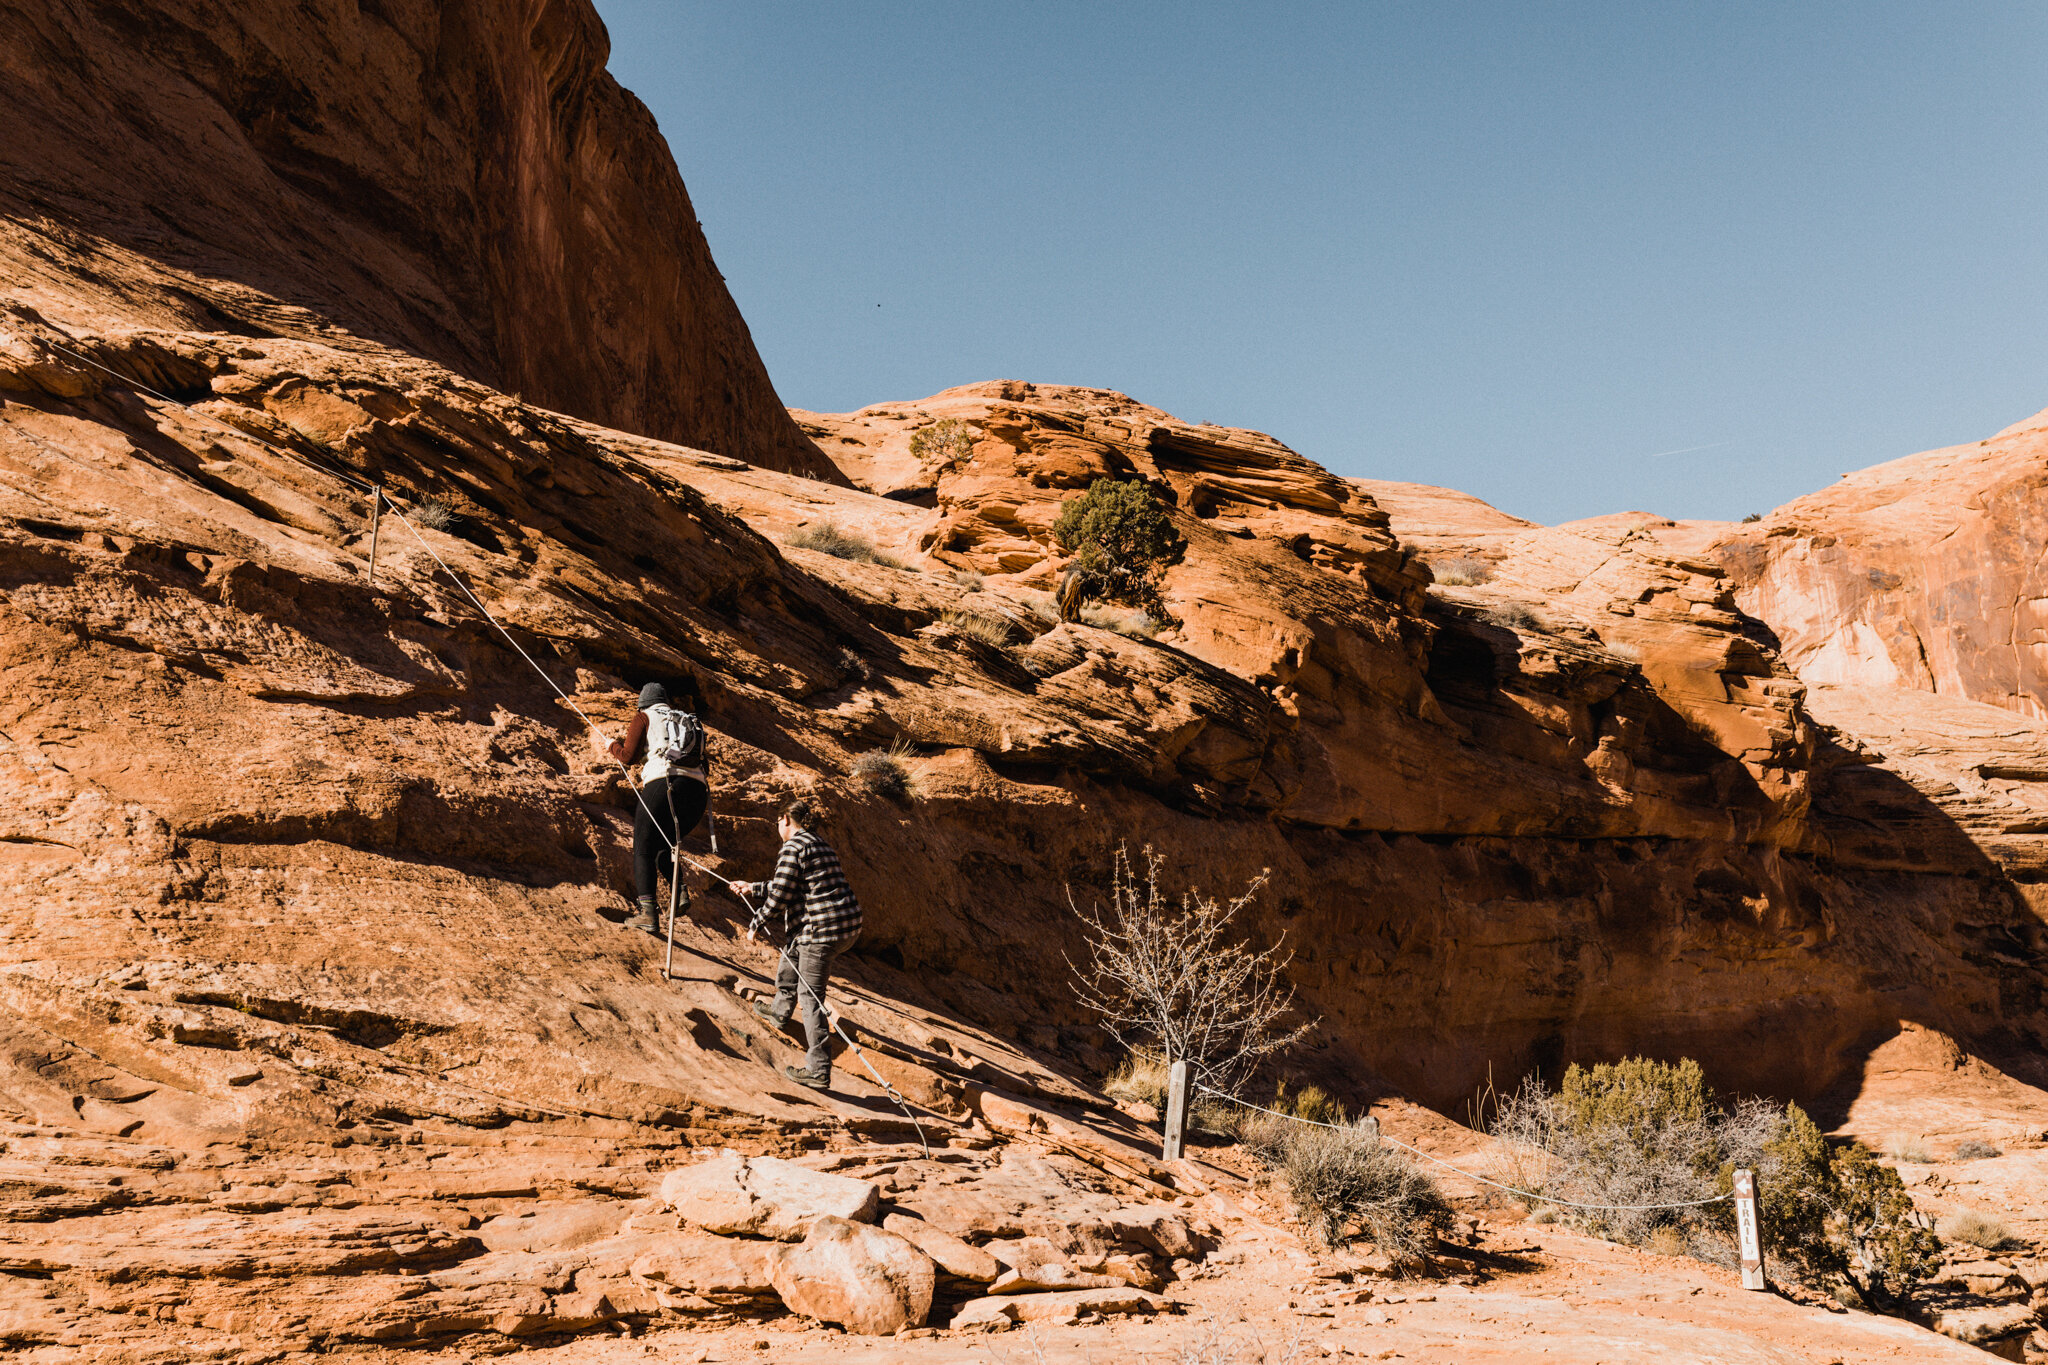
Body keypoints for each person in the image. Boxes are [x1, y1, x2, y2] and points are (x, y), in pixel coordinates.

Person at [735, 798, 862, 1091]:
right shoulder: (820, 844)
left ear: (787, 820)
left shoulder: (792, 847)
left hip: (823, 930)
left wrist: (756, 923)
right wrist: (751, 887)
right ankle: (780, 1009)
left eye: (778, 822)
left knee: (811, 996)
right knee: (794, 948)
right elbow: (791, 884)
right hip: (847, 925)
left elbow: (780, 895)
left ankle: (818, 1070)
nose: (778, 828)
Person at [591, 682, 708, 936]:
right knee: (664, 846)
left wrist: (612, 745)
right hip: (697, 794)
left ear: (643, 702)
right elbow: (703, 764)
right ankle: (679, 893)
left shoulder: (644, 716)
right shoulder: (685, 720)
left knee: (643, 847)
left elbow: (628, 756)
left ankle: (647, 913)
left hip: (664, 783)